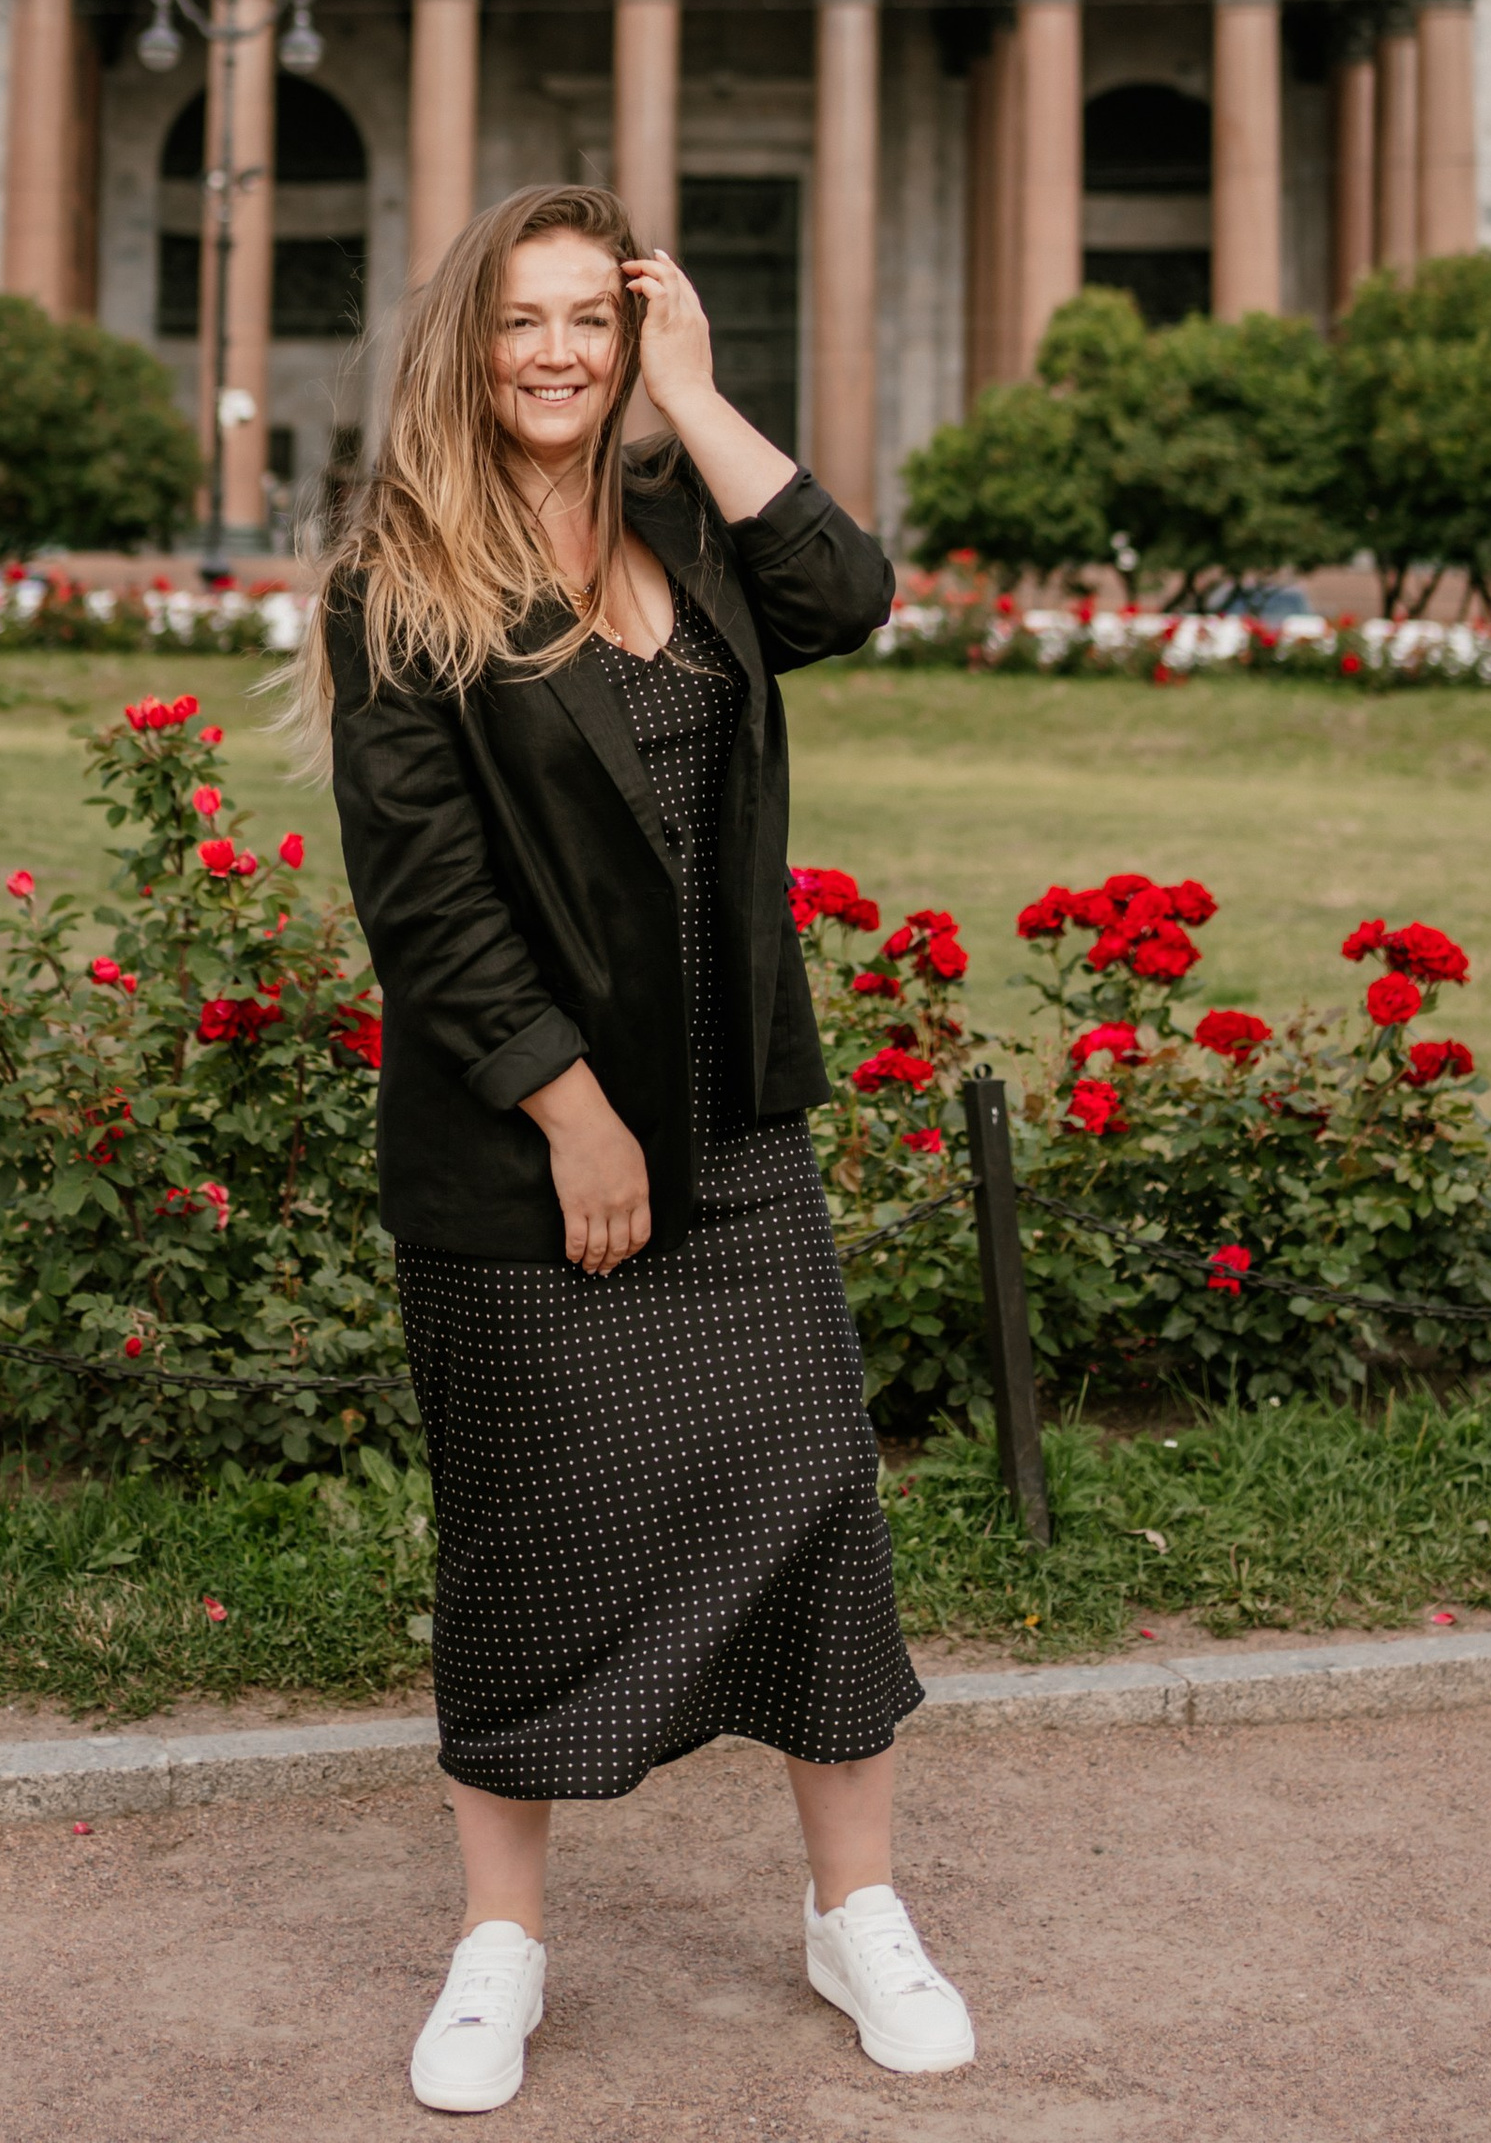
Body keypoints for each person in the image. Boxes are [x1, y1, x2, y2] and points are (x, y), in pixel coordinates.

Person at [297, 183, 972, 2114]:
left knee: (817, 1512)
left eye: (596, 318)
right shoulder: (398, 582)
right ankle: (500, 1948)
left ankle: (859, 1918)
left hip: (738, 1125)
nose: (560, 353)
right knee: (531, 1540)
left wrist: (701, 385)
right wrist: (570, 1112)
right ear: (466, 341)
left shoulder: (698, 532)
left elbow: (853, 592)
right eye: (527, 320)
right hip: (528, 1150)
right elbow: (423, 902)